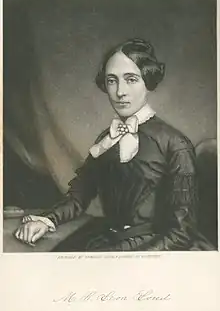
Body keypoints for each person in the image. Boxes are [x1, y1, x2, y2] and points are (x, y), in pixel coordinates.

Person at [14, 38, 214, 251]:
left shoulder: (175, 143)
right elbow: (79, 195)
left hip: (156, 248)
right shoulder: (106, 139)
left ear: (148, 81)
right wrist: (47, 221)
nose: (120, 92)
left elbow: (182, 231)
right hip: (106, 240)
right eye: (112, 80)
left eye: (131, 79)